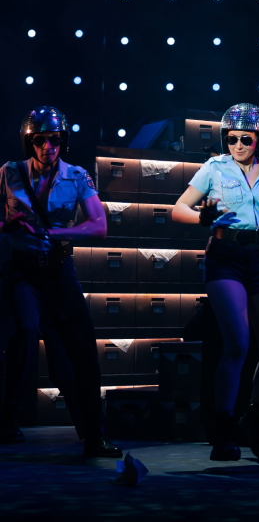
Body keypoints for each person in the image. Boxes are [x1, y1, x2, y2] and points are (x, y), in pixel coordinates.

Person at [172, 103, 259, 462]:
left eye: (245, 139)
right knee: (237, 343)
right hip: (225, 255)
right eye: (231, 139)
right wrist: (202, 217)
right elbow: (178, 209)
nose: (238, 145)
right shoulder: (214, 168)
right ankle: (222, 429)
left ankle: (256, 418)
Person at [0, 106, 122, 457]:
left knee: (79, 348)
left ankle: (93, 434)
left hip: (59, 269)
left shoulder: (77, 176)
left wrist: (55, 233)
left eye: (54, 139)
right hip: (23, 270)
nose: (47, 147)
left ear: (62, 141)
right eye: (40, 140)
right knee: (25, 331)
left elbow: (99, 226)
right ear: (29, 142)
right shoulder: (9, 172)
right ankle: (8, 418)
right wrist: (6, 226)